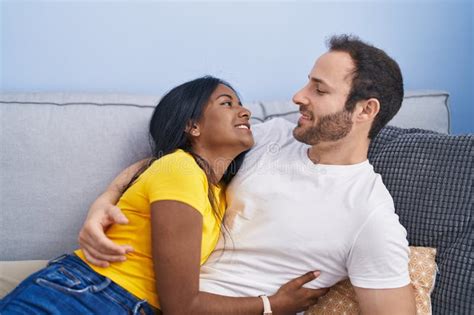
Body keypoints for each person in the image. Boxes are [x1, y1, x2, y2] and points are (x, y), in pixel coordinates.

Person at [81, 35, 417, 314]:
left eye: (319, 89)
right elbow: (170, 163)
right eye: (307, 83)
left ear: (365, 110)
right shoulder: (271, 136)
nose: (298, 96)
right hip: (140, 300)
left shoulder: (370, 215)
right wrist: (104, 201)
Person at [0, 77, 329, 315]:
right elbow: (182, 306)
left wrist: (107, 196)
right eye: (227, 103)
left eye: (241, 104)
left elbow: (146, 167)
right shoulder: (181, 170)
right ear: (193, 127)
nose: (243, 111)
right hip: (82, 296)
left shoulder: (216, 185)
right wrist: (272, 305)